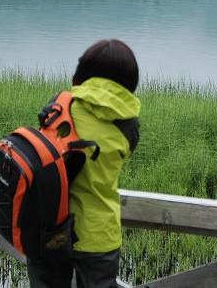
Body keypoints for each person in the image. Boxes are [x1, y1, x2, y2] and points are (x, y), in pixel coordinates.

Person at [27, 39, 142, 288]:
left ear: (84, 71)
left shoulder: (61, 104)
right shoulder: (128, 126)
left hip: (50, 227)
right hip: (99, 234)